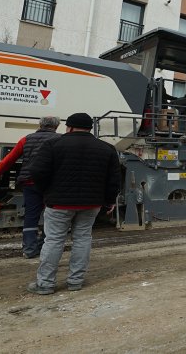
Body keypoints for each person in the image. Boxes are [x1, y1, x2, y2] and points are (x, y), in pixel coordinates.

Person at [25, 112, 120, 295]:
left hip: (58, 203)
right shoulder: (107, 148)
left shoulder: (53, 144)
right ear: (90, 128)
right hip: (91, 204)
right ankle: (75, 281)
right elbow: (113, 180)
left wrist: (47, 192)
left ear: (68, 127)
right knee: (83, 239)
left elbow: (37, 172)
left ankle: (45, 283)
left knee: (54, 240)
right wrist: (109, 201)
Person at [0, 116, 60, 259]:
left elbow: (9, 159)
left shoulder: (26, 139)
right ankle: (45, 246)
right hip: (52, 184)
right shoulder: (60, 139)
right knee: (52, 215)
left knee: (31, 215)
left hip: (30, 182)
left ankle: (29, 249)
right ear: (57, 126)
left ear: (40, 125)